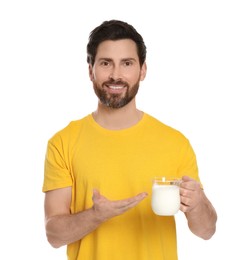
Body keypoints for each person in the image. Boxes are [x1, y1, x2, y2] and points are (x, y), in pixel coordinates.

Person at [42, 20, 217, 260]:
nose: (116, 75)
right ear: (90, 69)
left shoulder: (175, 143)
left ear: (142, 70)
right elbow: (54, 235)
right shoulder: (63, 143)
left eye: (127, 63)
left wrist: (198, 203)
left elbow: (206, 231)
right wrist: (96, 215)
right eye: (105, 63)